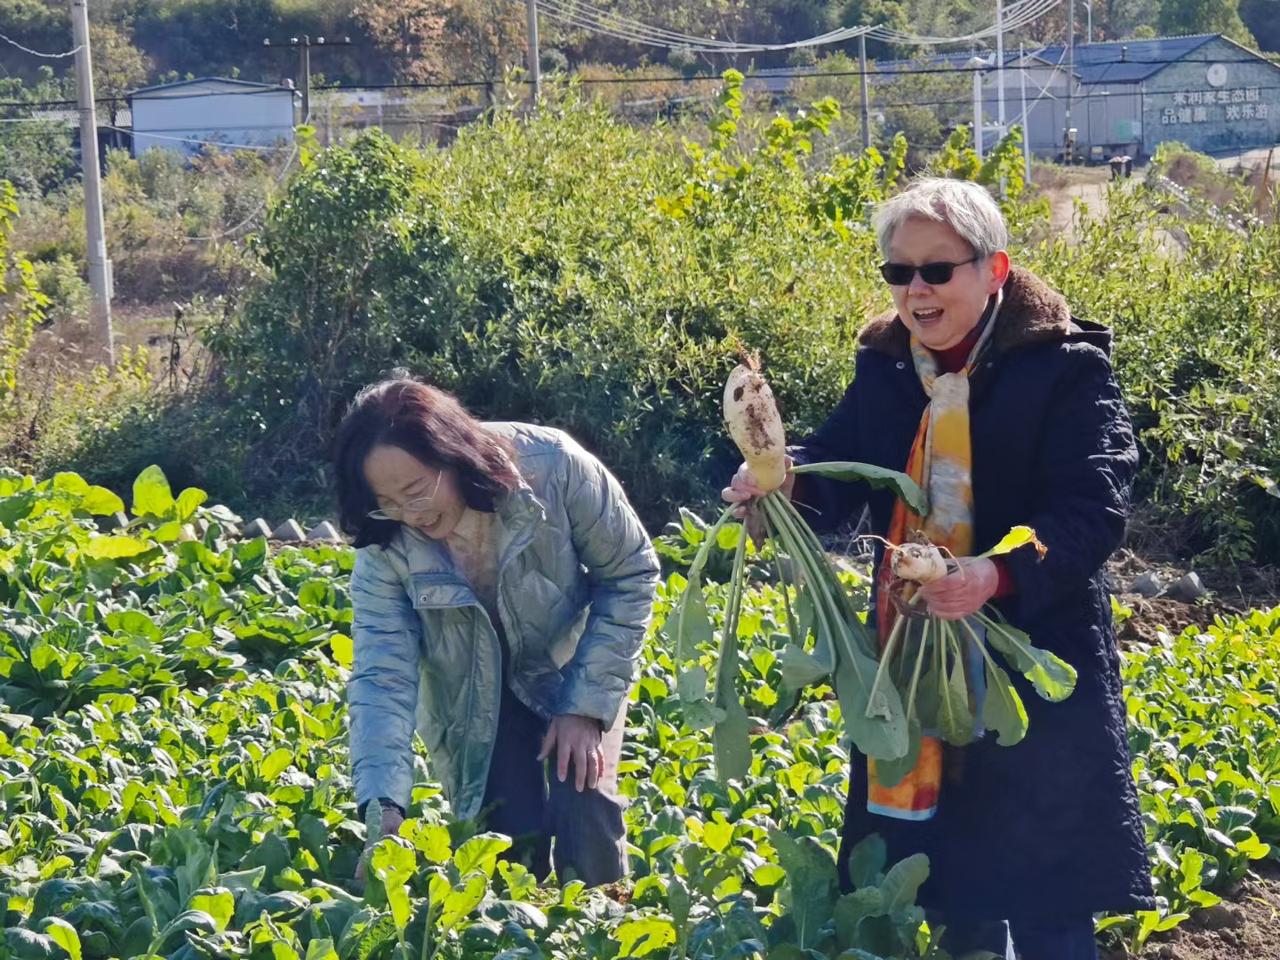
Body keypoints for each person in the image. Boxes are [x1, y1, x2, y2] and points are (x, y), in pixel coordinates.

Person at [724, 178, 1153, 959]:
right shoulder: (888, 366)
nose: (915, 290)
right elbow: (843, 464)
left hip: (1033, 655)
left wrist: (992, 575)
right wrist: (782, 482)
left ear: (994, 270)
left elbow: (1092, 508)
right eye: (899, 272)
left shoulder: (1063, 368)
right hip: (915, 661)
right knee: (951, 888)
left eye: (936, 270)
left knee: (1050, 899)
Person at [334, 377, 659, 886]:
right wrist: (385, 808)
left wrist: (584, 706)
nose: (411, 515)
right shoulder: (384, 547)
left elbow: (631, 572)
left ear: (452, 454)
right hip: (471, 692)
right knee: (504, 844)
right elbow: (381, 678)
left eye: (417, 491)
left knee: (584, 798)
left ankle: (605, 924)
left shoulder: (554, 467)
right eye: (389, 502)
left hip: (570, 661)